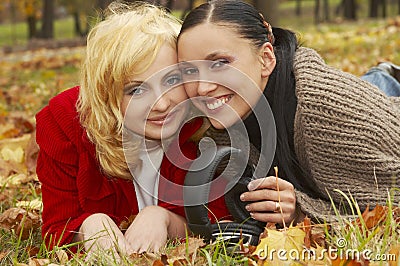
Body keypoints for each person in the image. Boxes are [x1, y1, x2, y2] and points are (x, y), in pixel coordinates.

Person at [175, 0, 400, 224]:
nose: (202, 88)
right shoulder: (214, 129)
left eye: (219, 63)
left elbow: (390, 206)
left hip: (378, 114)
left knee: (379, 86)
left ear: (266, 59)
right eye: (189, 71)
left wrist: (302, 213)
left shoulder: (325, 108)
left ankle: (383, 77)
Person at [35, 1, 221, 256]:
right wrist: (89, 226)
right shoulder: (66, 123)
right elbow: (56, 226)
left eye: (172, 80)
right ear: (106, 95)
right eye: (136, 89)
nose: (163, 103)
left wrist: (164, 219)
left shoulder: (207, 121)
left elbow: (222, 222)